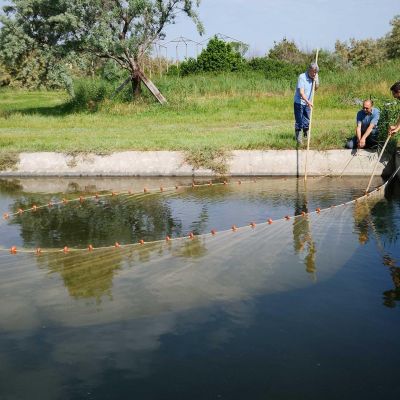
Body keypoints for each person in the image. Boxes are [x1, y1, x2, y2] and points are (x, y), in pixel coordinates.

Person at [293, 62, 319, 145]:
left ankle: (306, 135)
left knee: (307, 120)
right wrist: (308, 102)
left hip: (308, 102)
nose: (314, 73)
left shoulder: (315, 76)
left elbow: (315, 89)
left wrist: (316, 81)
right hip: (299, 102)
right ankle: (298, 139)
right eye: (313, 72)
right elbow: (301, 92)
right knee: (299, 121)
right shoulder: (302, 77)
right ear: (309, 70)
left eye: (316, 72)